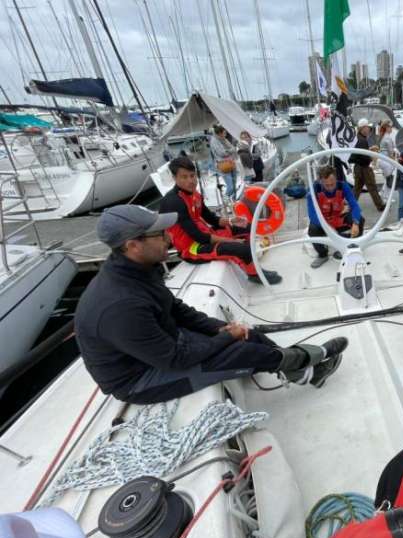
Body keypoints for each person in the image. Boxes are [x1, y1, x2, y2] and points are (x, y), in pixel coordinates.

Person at [74, 204, 348, 405]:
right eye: (159, 234)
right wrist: (228, 337)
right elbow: (174, 360)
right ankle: (313, 359)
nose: (169, 237)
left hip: (163, 346)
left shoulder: (140, 270)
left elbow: (177, 310)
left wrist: (223, 328)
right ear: (133, 245)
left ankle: (304, 372)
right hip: (141, 379)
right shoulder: (121, 306)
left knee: (247, 334)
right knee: (241, 353)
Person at [158, 156, 282, 284]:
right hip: (192, 249)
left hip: (206, 235)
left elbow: (211, 219)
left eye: (192, 175)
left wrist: (231, 221)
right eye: (184, 177)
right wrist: (232, 241)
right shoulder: (174, 202)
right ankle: (254, 274)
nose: (191, 181)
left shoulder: (195, 195)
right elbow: (199, 237)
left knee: (247, 227)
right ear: (174, 178)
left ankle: (249, 261)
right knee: (241, 248)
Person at [307, 165, 365, 268]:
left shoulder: (343, 186)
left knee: (360, 219)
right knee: (312, 229)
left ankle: (352, 247)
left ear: (336, 179)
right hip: (323, 222)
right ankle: (322, 254)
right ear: (320, 181)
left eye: (332, 184)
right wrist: (328, 228)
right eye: (326, 185)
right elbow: (312, 215)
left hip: (338, 218)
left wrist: (355, 223)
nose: (330, 188)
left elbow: (355, 206)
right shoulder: (313, 190)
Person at [349, 118, 385, 211]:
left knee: (357, 188)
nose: (369, 129)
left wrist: (369, 149)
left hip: (357, 167)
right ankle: (380, 206)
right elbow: (364, 157)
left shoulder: (358, 138)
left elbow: (359, 153)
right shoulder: (363, 140)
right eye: (367, 128)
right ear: (363, 128)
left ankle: (350, 206)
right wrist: (372, 156)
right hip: (364, 168)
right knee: (372, 187)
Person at [210, 125, 238, 199]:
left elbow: (232, 148)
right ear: (219, 133)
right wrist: (231, 150)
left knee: (234, 185)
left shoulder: (224, 139)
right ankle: (225, 199)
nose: (225, 135)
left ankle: (233, 201)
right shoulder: (214, 141)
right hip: (223, 164)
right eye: (224, 133)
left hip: (231, 162)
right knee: (231, 186)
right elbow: (222, 153)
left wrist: (231, 150)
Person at [376, 120, 397, 190]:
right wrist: (395, 162)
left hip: (381, 160)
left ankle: (383, 196)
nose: (391, 128)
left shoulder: (382, 136)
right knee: (390, 181)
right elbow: (390, 153)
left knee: (387, 181)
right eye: (390, 127)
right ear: (387, 128)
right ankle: (386, 197)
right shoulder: (388, 137)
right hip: (386, 161)